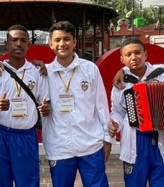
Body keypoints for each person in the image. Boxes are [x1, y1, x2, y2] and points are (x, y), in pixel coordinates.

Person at [42, 21, 113, 187]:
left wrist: (108, 138)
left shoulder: (90, 69)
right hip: (59, 145)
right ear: (50, 44)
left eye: (67, 39)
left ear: (74, 42)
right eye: (57, 40)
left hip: (91, 143)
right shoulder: (44, 72)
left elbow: (101, 105)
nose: (62, 44)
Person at [108, 37, 164, 187]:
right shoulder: (121, 84)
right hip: (135, 139)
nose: (134, 57)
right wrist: (115, 124)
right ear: (122, 59)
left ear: (145, 54)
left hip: (161, 137)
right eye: (128, 54)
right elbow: (117, 111)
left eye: (137, 52)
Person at [0, 24, 50, 187]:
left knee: (28, 182)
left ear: (29, 45)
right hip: (1, 135)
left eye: (23, 40)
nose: (18, 44)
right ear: (7, 44)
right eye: (14, 40)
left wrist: (46, 108)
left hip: (26, 136)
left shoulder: (37, 71)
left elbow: (45, 102)